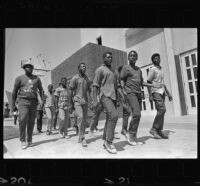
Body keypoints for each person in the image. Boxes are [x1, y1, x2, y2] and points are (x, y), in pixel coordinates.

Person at [120, 50, 159, 146]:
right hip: (130, 92)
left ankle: (133, 136)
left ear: (137, 58)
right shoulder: (125, 68)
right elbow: (122, 80)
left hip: (138, 94)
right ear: (128, 58)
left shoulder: (139, 70)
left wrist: (152, 84)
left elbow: (141, 83)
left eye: (134, 56)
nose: (133, 57)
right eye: (131, 56)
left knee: (138, 115)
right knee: (136, 114)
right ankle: (130, 133)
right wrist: (123, 91)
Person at [92, 52, 124, 154]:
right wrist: (95, 99)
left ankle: (105, 140)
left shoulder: (114, 71)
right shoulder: (100, 69)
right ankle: (109, 141)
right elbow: (95, 85)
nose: (110, 58)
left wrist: (121, 96)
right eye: (107, 57)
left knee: (109, 119)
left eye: (111, 57)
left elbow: (117, 86)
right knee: (114, 116)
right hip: (104, 96)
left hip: (113, 97)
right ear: (103, 58)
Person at [12, 59, 44, 149]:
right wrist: (13, 105)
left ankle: (29, 140)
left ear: (32, 68)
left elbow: (41, 90)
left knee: (31, 121)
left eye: (30, 66)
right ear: (24, 68)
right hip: (23, 101)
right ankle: (22, 140)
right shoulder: (19, 78)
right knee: (22, 119)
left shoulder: (37, 78)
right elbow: (14, 91)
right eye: (26, 66)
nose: (28, 68)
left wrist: (42, 101)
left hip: (34, 102)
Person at [147, 53, 173, 139]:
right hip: (155, 92)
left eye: (157, 58)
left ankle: (159, 130)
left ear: (159, 59)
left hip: (162, 92)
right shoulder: (152, 69)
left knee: (161, 111)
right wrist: (150, 95)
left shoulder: (161, 70)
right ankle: (154, 129)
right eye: (154, 58)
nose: (156, 59)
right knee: (162, 109)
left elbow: (163, 83)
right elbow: (148, 82)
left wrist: (168, 93)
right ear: (153, 60)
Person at [69, 62, 92, 147]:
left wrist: (91, 101)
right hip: (77, 101)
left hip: (85, 102)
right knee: (81, 118)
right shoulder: (74, 78)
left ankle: (80, 136)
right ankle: (82, 137)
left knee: (84, 120)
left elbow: (90, 90)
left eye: (85, 66)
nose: (84, 68)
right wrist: (70, 103)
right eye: (82, 66)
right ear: (78, 68)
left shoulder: (87, 79)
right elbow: (70, 90)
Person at [115, 65, 131, 138]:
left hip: (124, 95)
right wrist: (122, 96)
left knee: (126, 112)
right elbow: (118, 88)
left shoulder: (124, 77)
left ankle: (124, 129)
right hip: (120, 96)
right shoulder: (118, 77)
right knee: (126, 111)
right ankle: (123, 129)